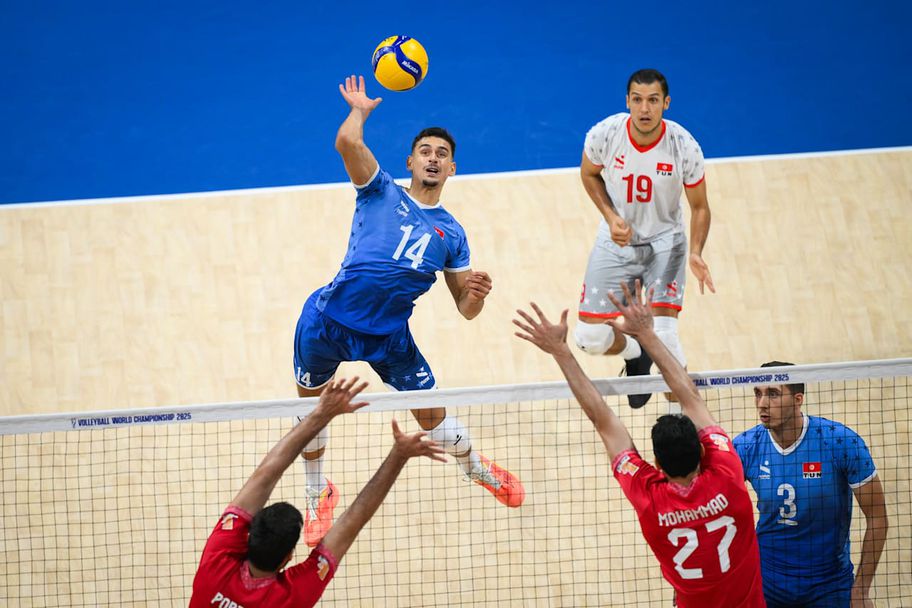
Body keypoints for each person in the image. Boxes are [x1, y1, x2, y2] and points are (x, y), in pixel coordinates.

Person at [292, 75, 524, 546]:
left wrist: (477, 294)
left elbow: (466, 310)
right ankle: (318, 492)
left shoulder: (453, 235)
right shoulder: (379, 190)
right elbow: (347, 142)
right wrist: (359, 111)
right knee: (310, 413)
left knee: (436, 420)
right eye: (425, 151)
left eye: (442, 153)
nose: (433, 158)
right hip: (328, 322)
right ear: (410, 162)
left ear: (452, 168)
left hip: (390, 339)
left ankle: (474, 467)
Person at [513, 281, 764, 607]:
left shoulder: (650, 499)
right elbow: (689, 396)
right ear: (703, 451)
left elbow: (604, 422)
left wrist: (561, 352)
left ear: (657, 465)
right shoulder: (727, 474)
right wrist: (647, 332)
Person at [189, 377, 447, 608]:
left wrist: (321, 414)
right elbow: (351, 522)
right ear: (287, 558)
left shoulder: (216, 567)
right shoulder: (291, 598)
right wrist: (399, 454)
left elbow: (265, 475)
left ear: (248, 538)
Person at [575, 68, 715, 408]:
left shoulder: (684, 146)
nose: (644, 108)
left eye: (653, 100)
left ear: (666, 103)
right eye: (637, 100)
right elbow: (589, 174)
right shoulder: (605, 135)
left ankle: (682, 423)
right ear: (627, 101)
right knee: (589, 337)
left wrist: (696, 251)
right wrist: (611, 217)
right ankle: (635, 351)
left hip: (666, 245)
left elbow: (700, 207)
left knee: (665, 338)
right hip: (616, 242)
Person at [733, 363, 889, 608]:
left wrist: (861, 589)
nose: (762, 403)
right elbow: (714, 510)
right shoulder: (745, 446)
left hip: (829, 583)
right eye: (758, 393)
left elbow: (878, 516)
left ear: (798, 399)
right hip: (767, 579)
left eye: (773, 394)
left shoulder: (840, 442)